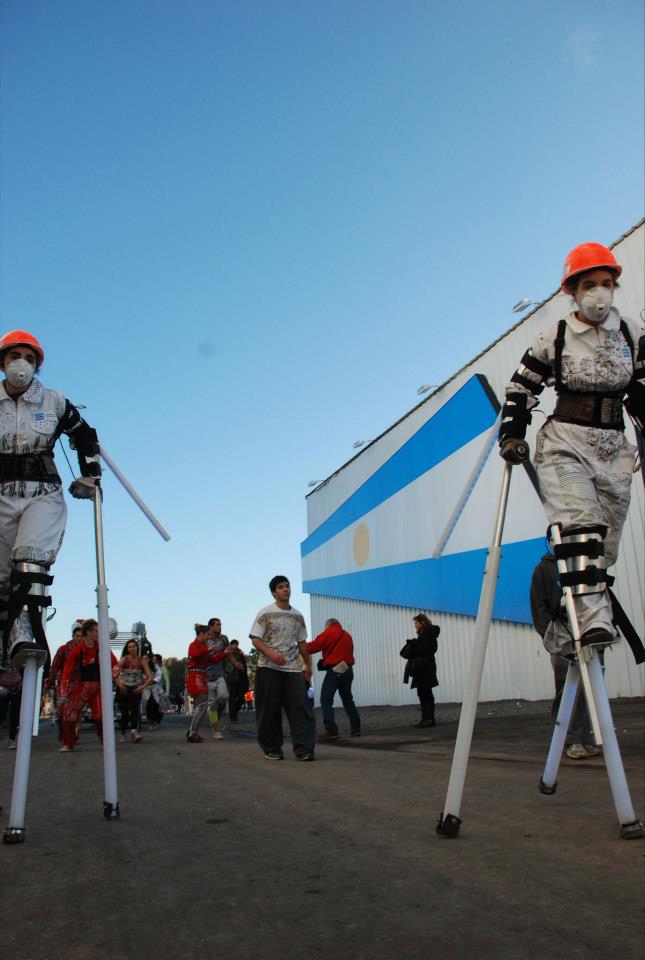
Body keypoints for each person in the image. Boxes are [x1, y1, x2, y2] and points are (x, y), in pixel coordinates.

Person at [499, 243, 644, 657]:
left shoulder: (632, 334)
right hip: (565, 442)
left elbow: (641, 388)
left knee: (604, 548)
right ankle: (594, 617)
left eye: (606, 283)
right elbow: (520, 387)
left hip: (613, 449)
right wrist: (512, 435)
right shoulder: (556, 336)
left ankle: (569, 615)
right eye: (589, 284)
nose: (599, 292)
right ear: (572, 291)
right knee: (582, 524)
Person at [0, 330, 101, 670]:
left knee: (30, 559)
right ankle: (4, 648)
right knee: (2, 579)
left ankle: (26, 630)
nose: (21, 364)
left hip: (42, 492)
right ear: (3, 362)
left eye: (29, 358)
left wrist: (91, 476)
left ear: (37, 365)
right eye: (15, 356)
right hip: (1, 494)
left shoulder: (53, 400)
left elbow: (84, 434)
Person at [530, 543, 601, 760]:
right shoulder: (543, 570)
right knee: (568, 689)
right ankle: (570, 739)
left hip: (586, 635)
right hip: (562, 639)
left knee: (590, 689)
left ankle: (586, 738)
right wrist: (550, 636)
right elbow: (539, 606)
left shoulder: (582, 562)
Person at [249, 575, 315, 761]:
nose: (285, 589)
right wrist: (271, 654)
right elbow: (255, 639)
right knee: (269, 710)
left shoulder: (298, 616)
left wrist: (308, 665)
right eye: (280, 587)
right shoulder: (265, 613)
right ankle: (272, 749)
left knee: (300, 709)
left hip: (293, 669)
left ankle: (304, 749)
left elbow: (302, 643)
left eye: (287, 586)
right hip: (269, 668)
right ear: (273, 592)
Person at [58, 619, 117, 752]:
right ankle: (68, 743)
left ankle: (105, 741)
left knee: (101, 715)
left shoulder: (102, 648)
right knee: (69, 713)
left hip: (99, 686)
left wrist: (115, 677)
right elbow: (67, 672)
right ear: (88, 632)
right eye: (96, 631)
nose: (98, 633)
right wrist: (64, 691)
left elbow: (115, 664)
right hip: (82, 687)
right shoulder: (77, 650)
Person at [306, 618, 361, 740]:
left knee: (325, 700)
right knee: (348, 700)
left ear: (328, 625)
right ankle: (356, 729)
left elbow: (313, 647)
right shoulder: (347, 635)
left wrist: (299, 647)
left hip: (335, 670)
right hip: (348, 669)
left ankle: (331, 731)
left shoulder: (328, 633)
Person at [185, 624, 230, 743]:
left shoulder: (203, 647)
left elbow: (212, 660)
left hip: (201, 676)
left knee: (202, 705)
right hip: (195, 676)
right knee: (202, 704)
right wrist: (207, 650)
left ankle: (192, 731)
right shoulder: (194, 645)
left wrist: (224, 653)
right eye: (207, 635)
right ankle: (192, 732)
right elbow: (195, 654)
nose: (209, 637)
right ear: (201, 634)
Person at [44, 623, 83, 741]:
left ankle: (74, 733)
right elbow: (54, 667)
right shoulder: (63, 649)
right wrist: (48, 684)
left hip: (79, 684)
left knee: (76, 710)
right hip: (64, 685)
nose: (79, 639)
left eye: (81, 636)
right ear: (73, 636)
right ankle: (63, 732)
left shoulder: (85, 650)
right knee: (60, 712)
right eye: (77, 636)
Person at [400, 614, 439, 728]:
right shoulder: (425, 633)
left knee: (425, 693)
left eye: (416, 623)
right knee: (423, 692)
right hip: (424, 667)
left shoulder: (427, 634)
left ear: (423, 622)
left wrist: (414, 646)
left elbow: (429, 648)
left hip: (425, 668)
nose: (415, 626)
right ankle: (426, 718)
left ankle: (428, 719)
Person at [115, 638, 153, 743]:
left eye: (134, 646)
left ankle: (135, 732)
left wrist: (142, 687)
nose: (132, 648)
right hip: (123, 688)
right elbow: (114, 672)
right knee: (124, 713)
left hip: (135, 688)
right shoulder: (124, 660)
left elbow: (150, 677)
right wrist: (120, 685)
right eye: (130, 647)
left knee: (135, 711)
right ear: (127, 649)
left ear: (137, 648)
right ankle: (123, 733)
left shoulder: (142, 661)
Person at [205, 617, 230, 739]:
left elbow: (228, 653)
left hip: (220, 674)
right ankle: (215, 730)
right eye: (217, 625)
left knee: (224, 696)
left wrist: (235, 663)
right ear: (211, 627)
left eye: (220, 624)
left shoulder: (223, 639)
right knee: (212, 704)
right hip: (206, 675)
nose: (220, 627)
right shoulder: (204, 639)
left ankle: (216, 717)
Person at [225, 640, 249, 722]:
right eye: (234, 644)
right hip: (230, 680)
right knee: (232, 699)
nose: (235, 646)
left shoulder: (240, 655)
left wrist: (246, 680)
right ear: (230, 645)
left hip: (241, 680)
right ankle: (233, 717)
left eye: (237, 644)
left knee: (242, 698)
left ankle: (234, 712)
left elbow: (244, 669)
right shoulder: (226, 655)